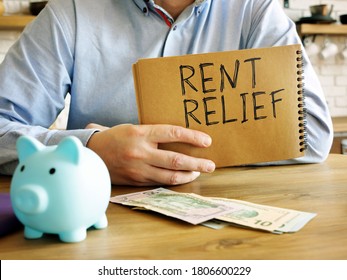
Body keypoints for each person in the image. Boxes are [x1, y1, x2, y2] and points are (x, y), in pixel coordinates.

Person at [0, 0, 333, 186]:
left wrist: (178, 149)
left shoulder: (255, 10)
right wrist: (90, 151)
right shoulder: (69, 12)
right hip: (96, 222)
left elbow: (312, 136)